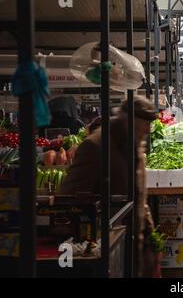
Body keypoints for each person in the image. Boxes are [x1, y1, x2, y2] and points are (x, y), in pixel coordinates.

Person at [60, 96, 158, 277]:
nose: (148, 129)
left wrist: (150, 237)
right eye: (145, 123)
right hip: (106, 252)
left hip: (131, 249)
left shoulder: (136, 147)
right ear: (129, 120)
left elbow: (139, 197)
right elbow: (68, 199)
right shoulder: (96, 146)